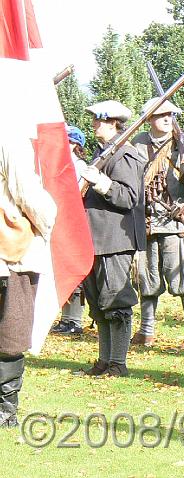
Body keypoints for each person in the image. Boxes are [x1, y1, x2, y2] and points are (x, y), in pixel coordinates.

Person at [75, 100, 146, 378]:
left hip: (115, 238)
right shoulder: (102, 153)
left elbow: (129, 197)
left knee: (117, 302)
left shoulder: (125, 155)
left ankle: (118, 362)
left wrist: (101, 183)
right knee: (99, 301)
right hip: (96, 237)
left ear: (113, 122)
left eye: (99, 120)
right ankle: (105, 360)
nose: (94, 124)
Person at [131, 98, 184, 352]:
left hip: (175, 222)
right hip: (148, 220)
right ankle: (146, 331)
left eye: (170, 114)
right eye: (161, 115)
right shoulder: (138, 143)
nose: (166, 118)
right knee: (146, 279)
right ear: (149, 118)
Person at [0, 133, 57, 427]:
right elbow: (28, 195)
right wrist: (49, 220)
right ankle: (5, 410)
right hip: (10, 257)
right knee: (12, 330)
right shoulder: (9, 139)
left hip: (9, 255)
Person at [50, 125, 88, 335]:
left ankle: (74, 320)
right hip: (58, 221)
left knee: (73, 270)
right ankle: (66, 318)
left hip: (72, 221)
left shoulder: (78, 166)